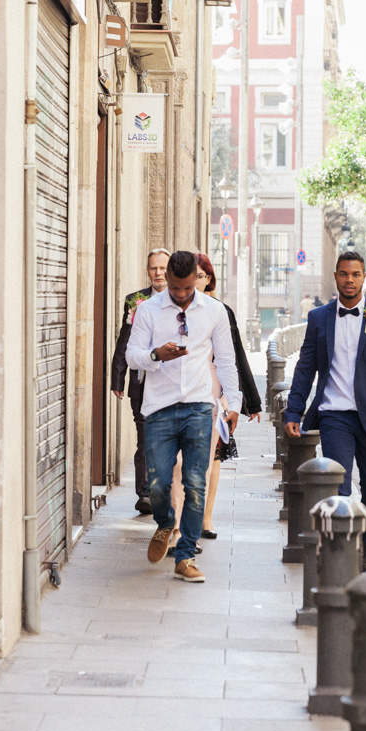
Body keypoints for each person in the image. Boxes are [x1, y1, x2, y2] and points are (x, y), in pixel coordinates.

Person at [283, 251, 366, 573]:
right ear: (336, 276)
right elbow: (305, 368)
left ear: (363, 277)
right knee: (338, 485)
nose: (349, 280)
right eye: (344, 274)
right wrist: (293, 411)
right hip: (334, 413)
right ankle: (342, 550)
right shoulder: (319, 318)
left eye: (355, 274)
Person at [126, 250, 242, 582]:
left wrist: (232, 403)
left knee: (194, 482)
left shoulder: (214, 311)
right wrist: (155, 355)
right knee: (159, 483)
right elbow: (133, 355)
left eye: (186, 288)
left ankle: (186, 555)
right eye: (175, 289)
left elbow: (226, 360)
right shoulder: (148, 310)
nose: (180, 295)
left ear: (195, 279)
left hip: (199, 406)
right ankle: (165, 523)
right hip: (159, 407)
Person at [168, 253, 262, 551]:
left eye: (202, 276)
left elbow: (233, 357)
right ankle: (176, 526)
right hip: (176, 393)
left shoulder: (220, 312)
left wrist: (243, 401)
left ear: (208, 278)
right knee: (178, 464)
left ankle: (198, 523)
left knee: (207, 464)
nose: (196, 281)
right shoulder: (169, 309)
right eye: (193, 276)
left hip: (212, 395)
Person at [110, 248, 170, 513]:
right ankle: (144, 494)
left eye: (163, 268)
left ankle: (165, 489)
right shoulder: (135, 300)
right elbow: (125, 340)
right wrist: (117, 378)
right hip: (142, 382)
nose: (159, 273)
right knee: (144, 437)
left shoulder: (182, 299)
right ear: (148, 271)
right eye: (153, 268)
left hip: (172, 383)